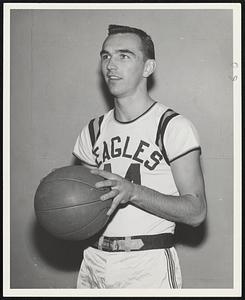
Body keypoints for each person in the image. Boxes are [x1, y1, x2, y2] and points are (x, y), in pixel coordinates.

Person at [73, 24, 207, 289]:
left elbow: (196, 211)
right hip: (94, 260)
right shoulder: (93, 130)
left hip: (147, 263)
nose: (111, 65)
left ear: (148, 68)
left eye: (124, 56)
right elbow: (83, 204)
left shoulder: (172, 127)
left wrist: (132, 191)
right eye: (106, 56)